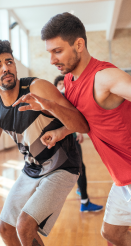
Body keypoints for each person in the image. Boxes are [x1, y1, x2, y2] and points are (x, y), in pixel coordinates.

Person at [13, 13, 131, 246]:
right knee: (112, 234)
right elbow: (86, 120)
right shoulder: (70, 80)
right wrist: (62, 132)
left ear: (79, 44)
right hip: (124, 179)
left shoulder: (104, 78)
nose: (51, 60)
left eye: (57, 51)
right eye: (49, 52)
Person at [0, 39, 90, 246]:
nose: (6, 68)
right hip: (32, 169)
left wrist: (47, 106)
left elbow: (81, 123)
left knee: (24, 225)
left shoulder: (37, 87)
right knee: (5, 228)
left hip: (62, 166)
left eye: (9, 62)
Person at [54, 75, 103, 212]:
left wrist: (78, 132)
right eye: (59, 83)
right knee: (79, 169)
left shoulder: (68, 100)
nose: (62, 85)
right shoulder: (58, 99)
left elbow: (75, 118)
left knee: (80, 168)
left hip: (72, 137)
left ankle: (81, 191)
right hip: (64, 141)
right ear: (55, 87)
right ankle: (85, 203)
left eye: (64, 83)